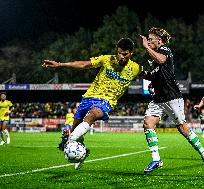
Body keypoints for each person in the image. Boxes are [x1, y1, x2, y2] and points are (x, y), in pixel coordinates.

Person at [42, 38, 143, 169]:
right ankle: (81, 151)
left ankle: (70, 138)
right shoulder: (107, 59)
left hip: (106, 101)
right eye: (119, 53)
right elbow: (84, 64)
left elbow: (153, 75)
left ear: (131, 54)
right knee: (77, 128)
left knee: (92, 115)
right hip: (88, 97)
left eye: (124, 54)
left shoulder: (136, 68)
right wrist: (60, 65)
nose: (121, 56)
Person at [139, 27, 204, 176]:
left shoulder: (165, 50)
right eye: (148, 39)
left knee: (183, 129)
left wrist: (146, 47)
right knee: (147, 124)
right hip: (158, 98)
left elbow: (161, 60)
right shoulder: (153, 59)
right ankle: (156, 159)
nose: (148, 41)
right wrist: (139, 72)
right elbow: (152, 75)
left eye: (151, 39)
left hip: (172, 97)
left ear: (159, 40)